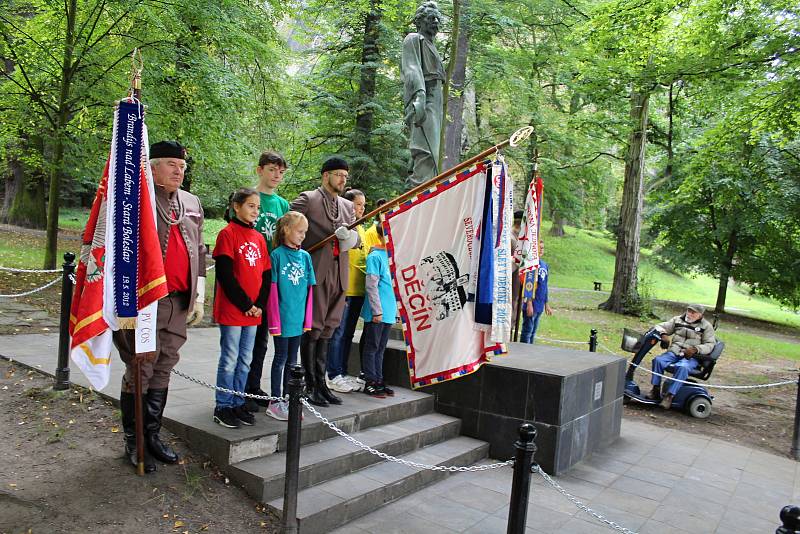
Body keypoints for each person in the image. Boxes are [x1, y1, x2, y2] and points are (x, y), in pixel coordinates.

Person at [113, 140, 206, 473]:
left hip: (179, 300)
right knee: (140, 367)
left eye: (182, 166)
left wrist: (200, 293)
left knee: (166, 363)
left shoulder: (192, 201)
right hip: (145, 301)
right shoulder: (135, 198)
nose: (179, 171)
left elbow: (199, 247)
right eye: (171, 164)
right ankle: (133, 440)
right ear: (152, 167)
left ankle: (151, 435)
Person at [290, 157, 360, 407]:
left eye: (345, 175)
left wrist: (350, 238)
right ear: (325, 175)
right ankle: (309, 386)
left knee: (329, 328)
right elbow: (287, 227)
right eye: (338, 174)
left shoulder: (348, 206)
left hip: (340, 273)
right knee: (314, 328)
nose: (343, 179)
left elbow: (358, 240)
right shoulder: (308, 199)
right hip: (316, 273)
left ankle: (322, 383)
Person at [212, 188, 271, 428]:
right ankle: (223, 405)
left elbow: (266, 274)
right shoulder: (227, 234)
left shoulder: (258, 237)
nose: (255, 211)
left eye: (258, 207)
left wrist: (259, 305)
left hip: (253, 312)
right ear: (237, 206)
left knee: (246, 359)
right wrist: (246, 304)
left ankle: (238, 402)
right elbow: (225, 274)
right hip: (234, 309)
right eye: (251, 206)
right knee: (230, 358)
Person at [245, 151, 290, 410]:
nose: (276, 176)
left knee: (262, 338)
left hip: (271, 276)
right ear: (260, 170)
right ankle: (239, 388)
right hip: (250, 271)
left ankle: (253, 387)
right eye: (272, 170)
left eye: (281, 172)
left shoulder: (283, 205)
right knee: (245, 338)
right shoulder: (249, 198)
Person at [265, 212, 316, 421]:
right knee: (280, 358)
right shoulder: (276, 255)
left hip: (298, 318)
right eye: (300, 231)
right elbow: (272, 291)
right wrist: (275, 322)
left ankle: (289, 397)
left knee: (293, 361)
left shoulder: (305, 257)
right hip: (283, 318)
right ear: (287, 230)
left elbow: (310, 291)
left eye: (305, 232)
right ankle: (275, 401)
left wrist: (308, 319)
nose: (303, 236)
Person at [326, 189, 368, 394]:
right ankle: (332, 373)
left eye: (363, 205)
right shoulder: (343, 227)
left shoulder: (362, 229)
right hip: (344, 288)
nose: (362, 208)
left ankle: (341, 372)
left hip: (359, 290)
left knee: (349, 334)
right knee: (338, 333)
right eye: (358, 204)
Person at [401, 1, 445, 185]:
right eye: (430, 18)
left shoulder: (432, 46)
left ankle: (427, 188)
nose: (435, 21)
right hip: (426, 96)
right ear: (420, 21)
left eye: (437, 18)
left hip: (436, 99)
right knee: (425, 149)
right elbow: (411, 67)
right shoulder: (413, 39)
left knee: (433, 151)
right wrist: (419, 94)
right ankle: (418, 190)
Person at [646, 304, 717, 409]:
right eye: (689, 311)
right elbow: (660, 326)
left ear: (700, 315)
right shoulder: (677, 320)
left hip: (692, 356)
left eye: (693, 312)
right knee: (658, 360)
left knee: (683, 367)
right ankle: (655, 389)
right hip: (674, 352)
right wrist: (664, 335)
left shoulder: (706, 326)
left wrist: (695, 349)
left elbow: (710, 345)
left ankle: (670, 396)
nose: (690, 314)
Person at [360, 222, 397, 398]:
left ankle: (379, 378)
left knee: (381, 347)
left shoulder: (393, 256)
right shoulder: (375, 257)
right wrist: (376, 310)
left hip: (389, 311)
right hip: (378, 312)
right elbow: (371, 286)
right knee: (372, 346)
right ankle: (370, 381)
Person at [519, 240, 553, 344]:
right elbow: (528, 285)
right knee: (527, 331)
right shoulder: (531, 265)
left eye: (543, 248)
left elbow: (545, 285)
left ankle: (530, 353)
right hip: (531, 304)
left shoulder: (544, 265)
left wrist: (547, 304)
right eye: (539, 248)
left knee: (533, 332)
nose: (541, 250)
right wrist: (529, 304)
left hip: (540, 304)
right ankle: (523, 352)